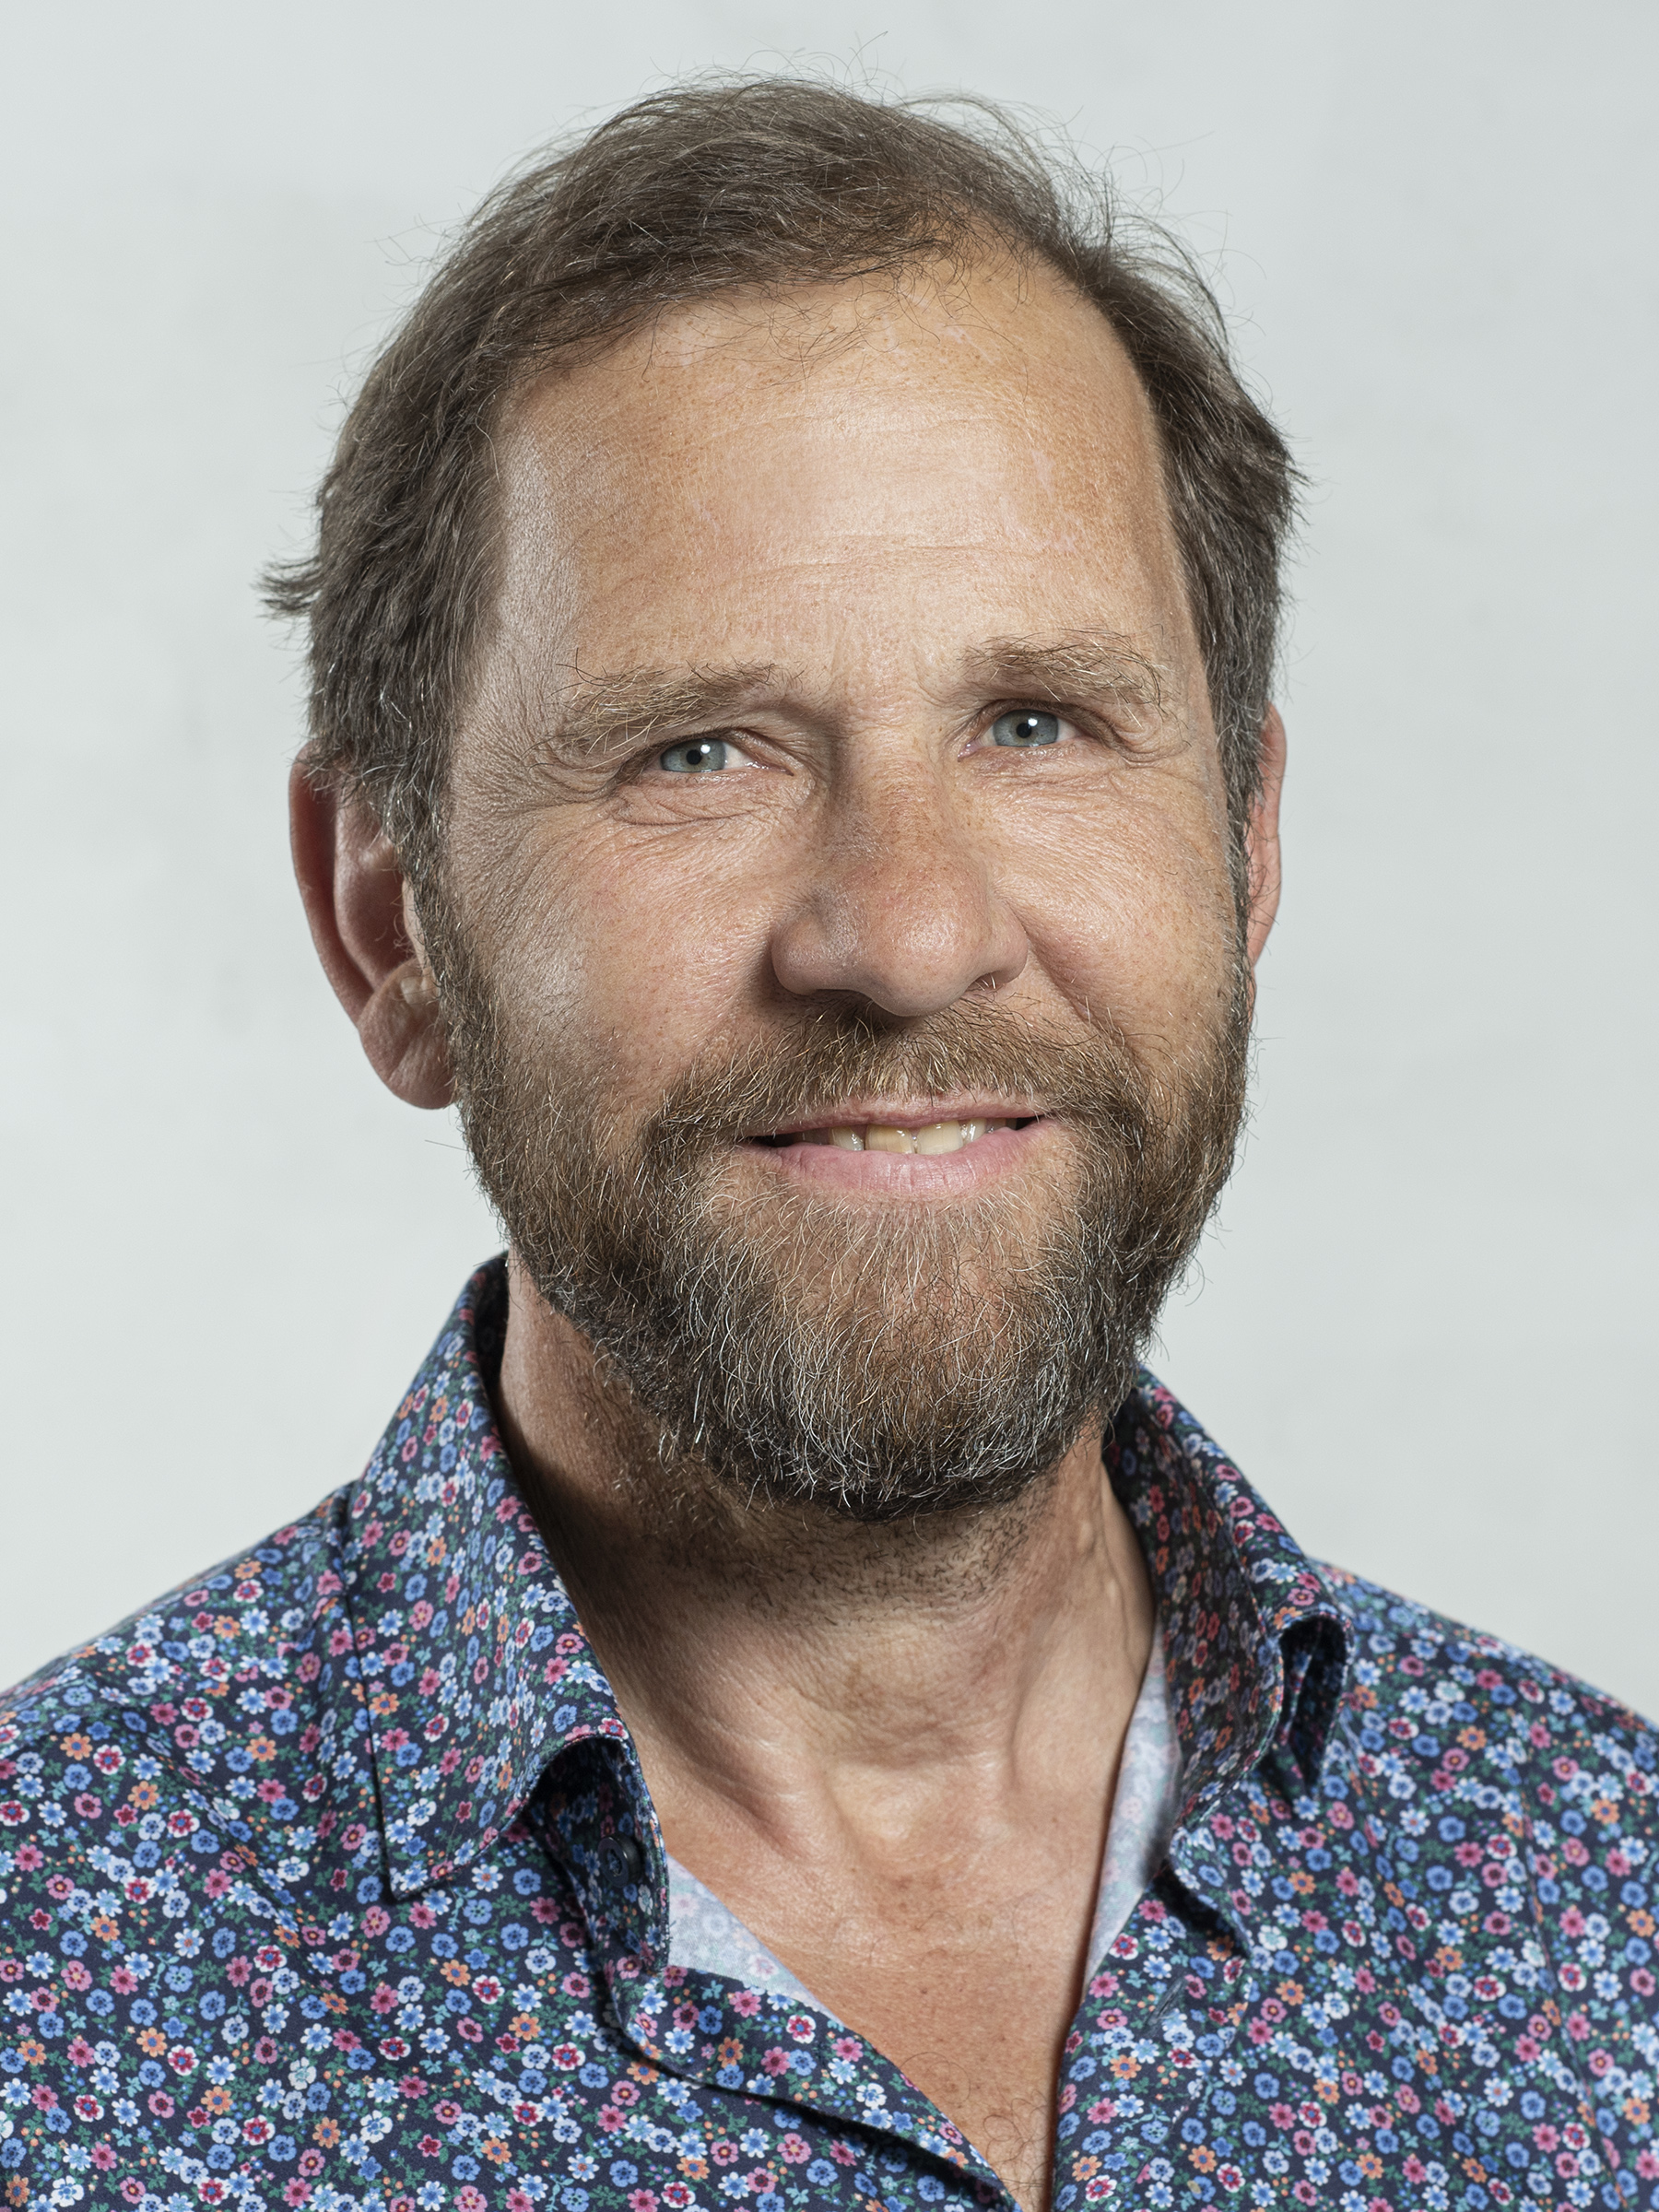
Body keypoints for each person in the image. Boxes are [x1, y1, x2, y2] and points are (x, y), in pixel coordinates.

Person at [2, 77, 1653, 2212]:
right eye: (702, 751)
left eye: (1039, 723)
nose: (908, 936)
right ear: (391, 923)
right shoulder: (50, 2005)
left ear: (1245, 845)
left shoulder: (1606, 1908)